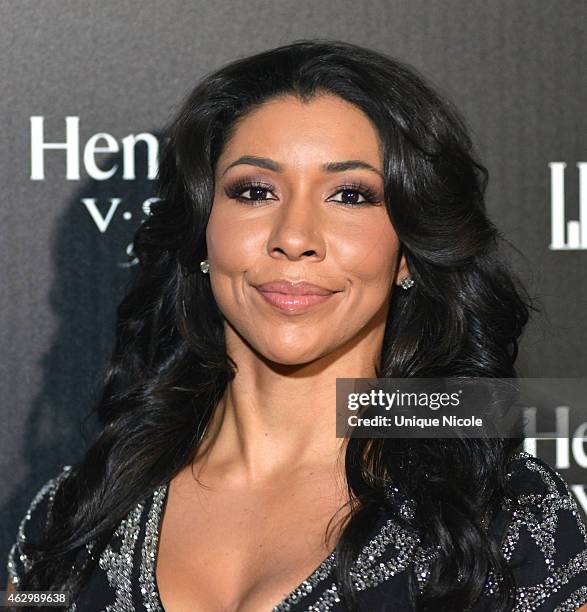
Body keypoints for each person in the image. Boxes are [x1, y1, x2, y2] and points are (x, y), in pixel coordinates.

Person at [6, 39, 587, 612]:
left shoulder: (507, 520)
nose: (295, 237)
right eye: (255, 191)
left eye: (350, 195)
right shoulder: (74, 514)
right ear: (204, 231)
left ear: (408, 252)